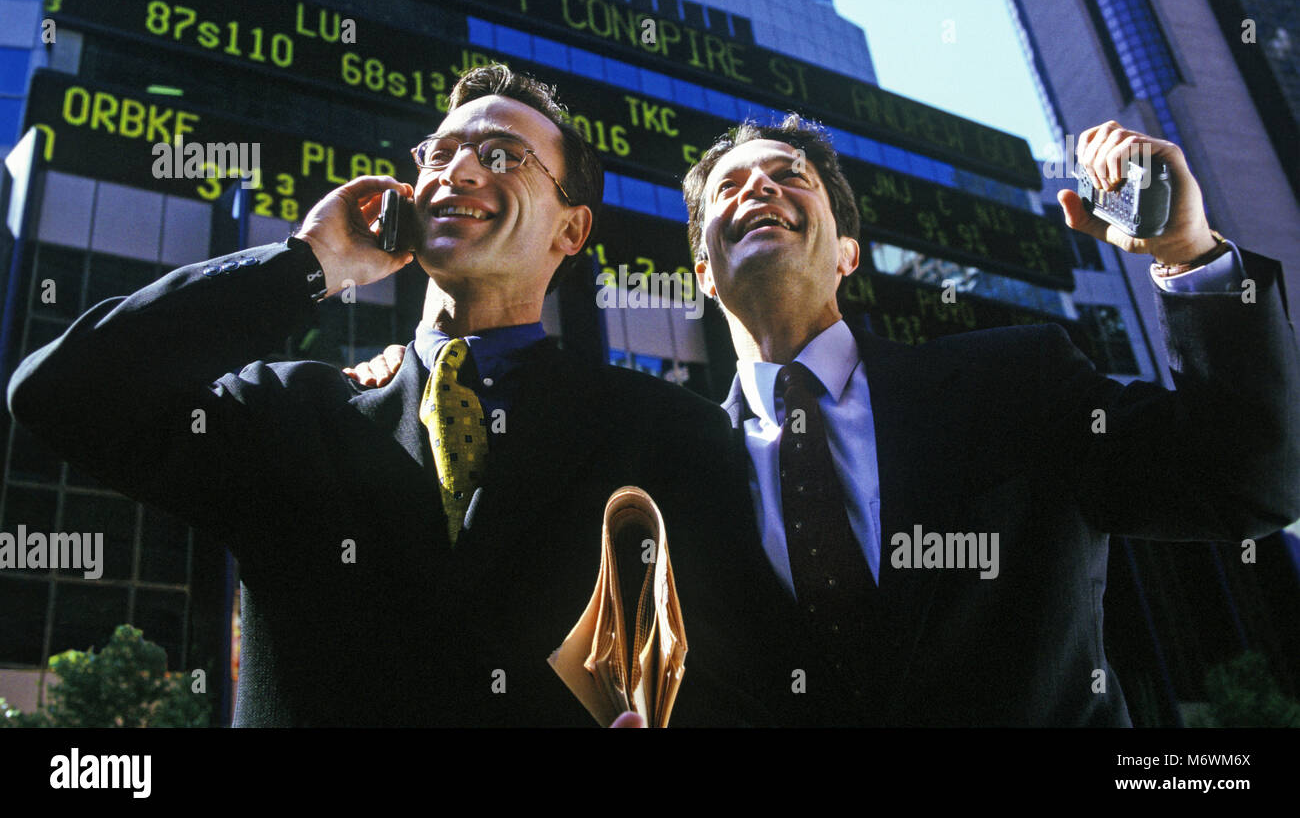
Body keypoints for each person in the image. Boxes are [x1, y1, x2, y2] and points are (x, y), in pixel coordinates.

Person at [352, 113, 1300, 725]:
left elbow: (1249, 481)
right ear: (702, 272)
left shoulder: (1016, 380)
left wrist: (1188, 252)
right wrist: (405, 371)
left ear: (847, 252)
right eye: (730, 189)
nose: (758, 189)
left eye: (788, 176)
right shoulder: (660, 467)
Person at [6, 64, 766, 727]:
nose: (457, 171)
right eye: (439, 153)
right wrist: (305, 265)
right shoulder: (293, 411)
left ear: (571, 229)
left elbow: (735, 673)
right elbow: (64, 393)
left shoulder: (667, 431)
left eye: (502, 155)